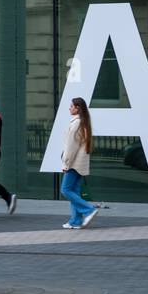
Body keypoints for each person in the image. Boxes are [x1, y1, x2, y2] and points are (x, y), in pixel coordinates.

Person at [60, 97, 99, 230]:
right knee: (74, 192)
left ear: (77, 108)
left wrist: (66, 164)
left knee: (65, 190)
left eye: (71, 106)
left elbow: (71, 146)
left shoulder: (76, 123)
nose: (69, 108)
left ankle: (89, 209)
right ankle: (75, 221)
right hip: (80, 163)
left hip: (74, 163)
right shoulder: (83, 122)